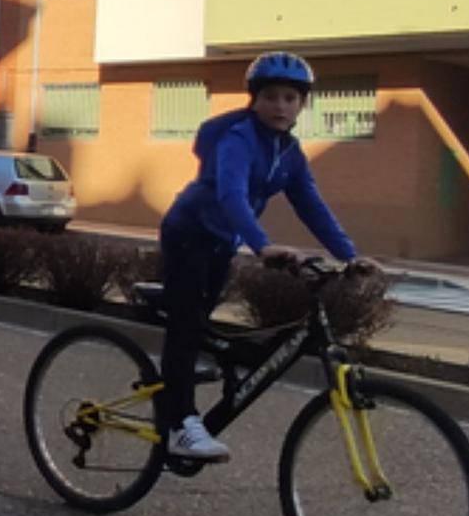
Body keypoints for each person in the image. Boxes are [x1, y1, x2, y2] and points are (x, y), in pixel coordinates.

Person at [156, 52, 376, 463]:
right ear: (254, 100)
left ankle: (179, 379)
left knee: (202, 322)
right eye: (271, 96)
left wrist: (349, 255)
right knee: (186, 328)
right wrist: (262, 244)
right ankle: (179, 424)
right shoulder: (239, 138)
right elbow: (230, 193)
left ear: (302, 105)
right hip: (188, 233)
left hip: (222, 242)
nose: (281, 106)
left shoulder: (289, 153)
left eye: (290, 98)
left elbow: (310, 203)